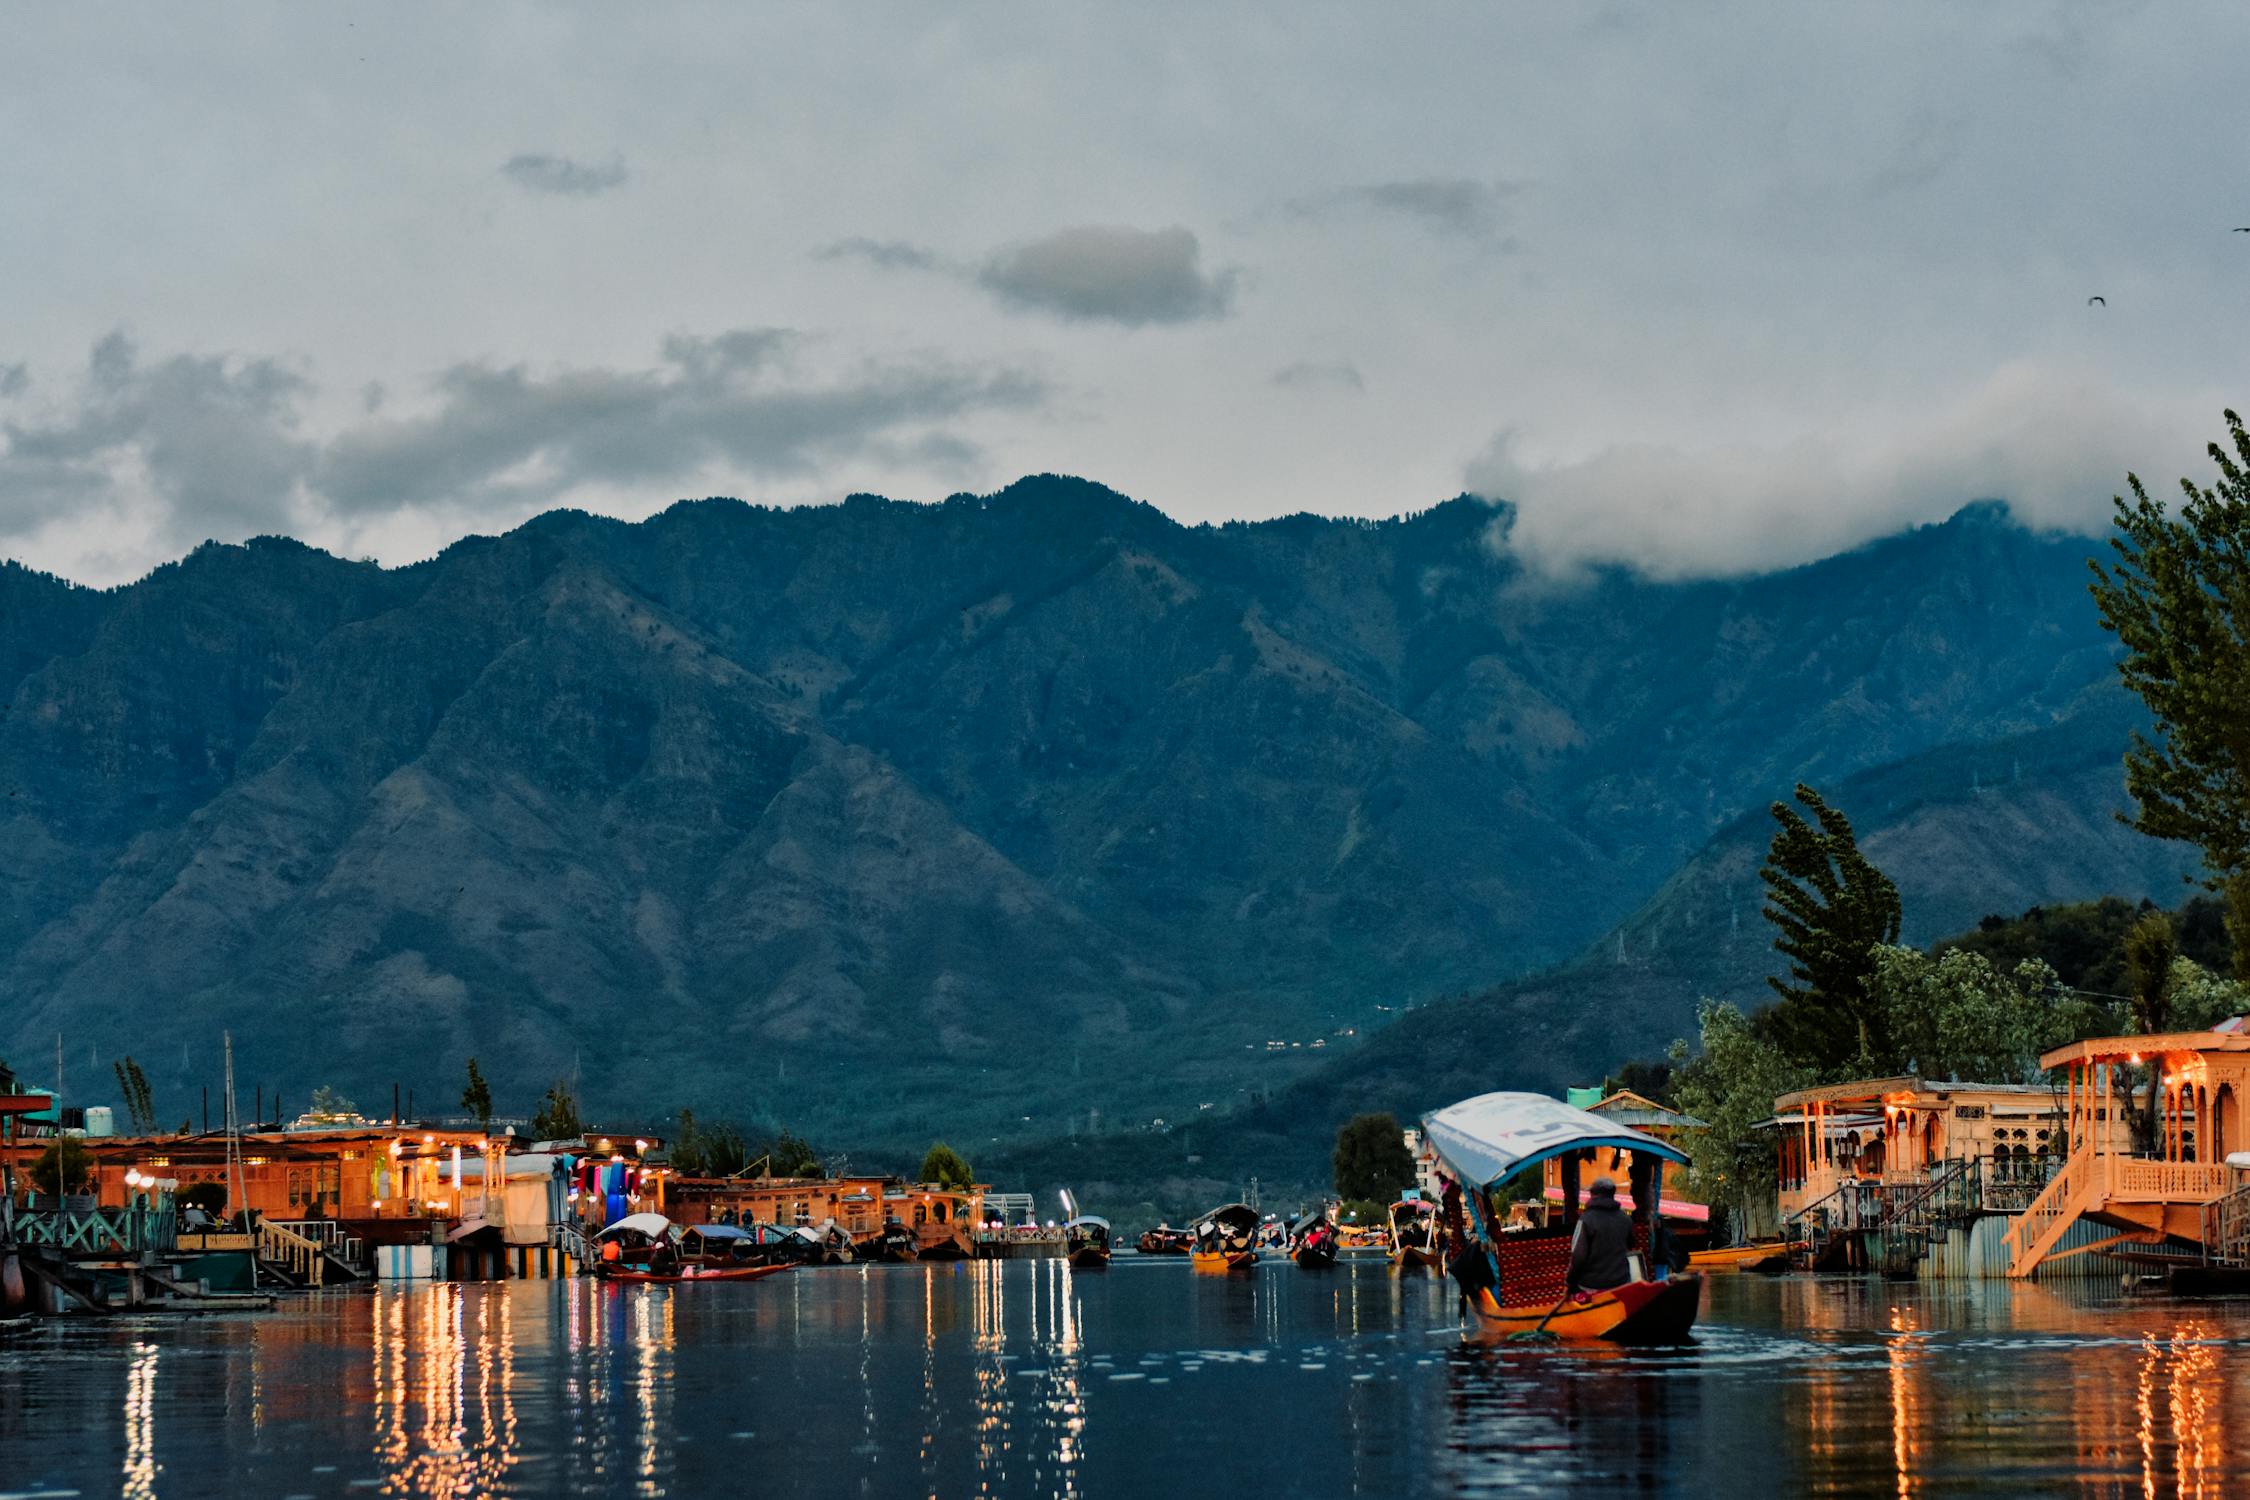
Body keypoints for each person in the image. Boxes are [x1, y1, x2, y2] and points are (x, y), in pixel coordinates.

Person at [1567, 1177, 1633, 1295]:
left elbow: (1578, 1258)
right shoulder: (1625, 1219)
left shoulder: (1586, 1219)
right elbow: (1631, 1245)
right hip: (1621, 1283)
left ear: (1594, 1195)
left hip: (1592, 1285)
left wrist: (1570, 1282)